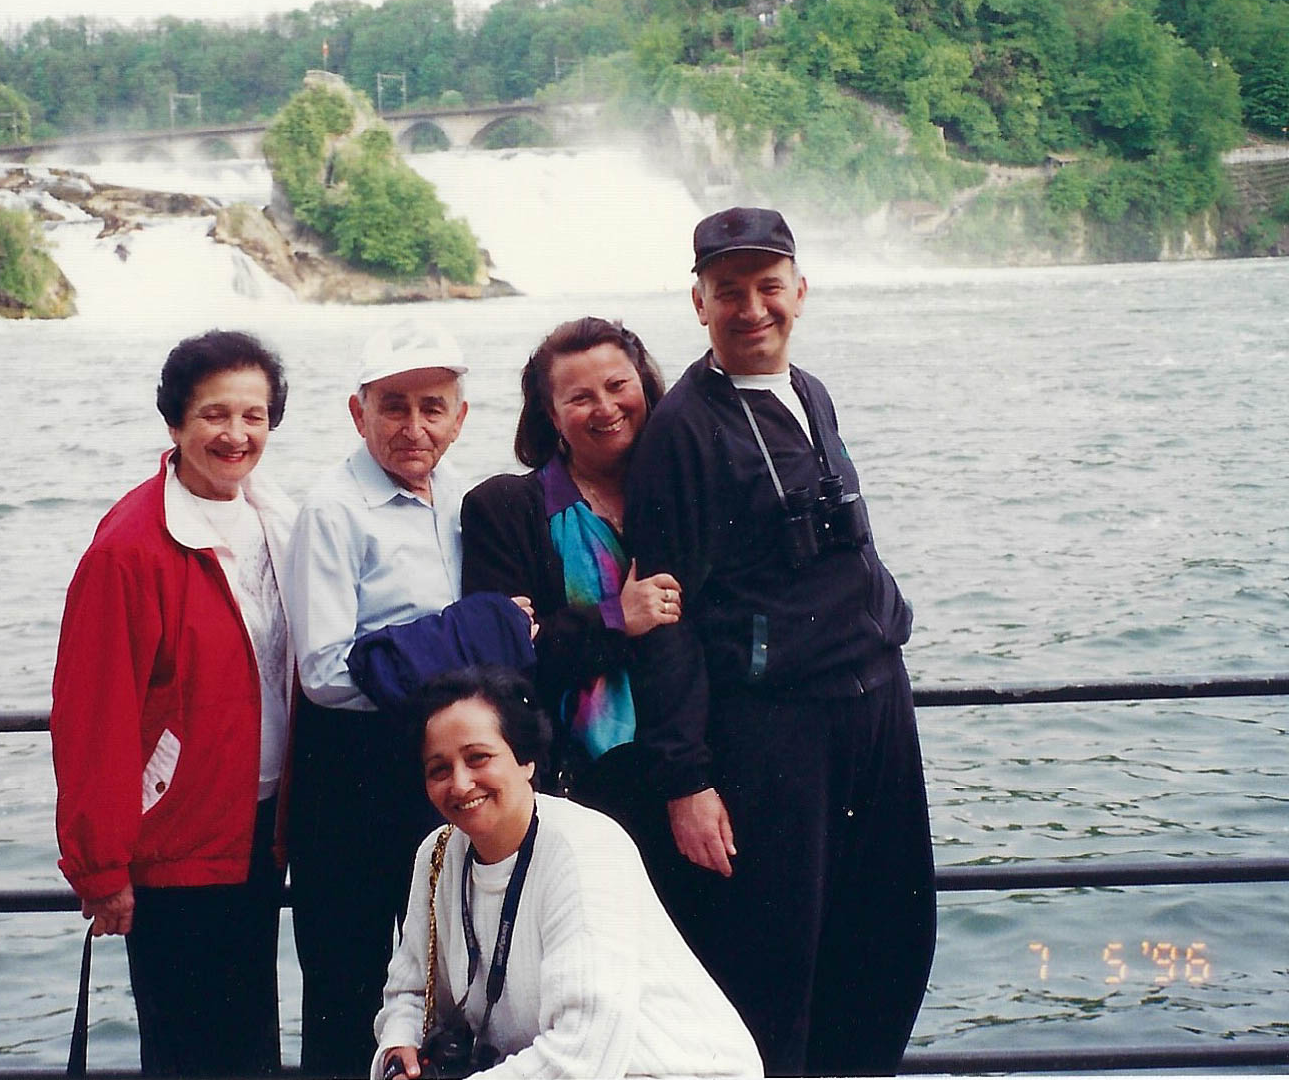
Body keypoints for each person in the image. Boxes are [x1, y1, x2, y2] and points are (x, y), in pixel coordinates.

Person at [623, 207, 937, 1077]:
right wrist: (685, 779)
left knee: (889, 934)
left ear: (800, 290)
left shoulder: (811, 392)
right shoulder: (683, 429)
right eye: (729, 291)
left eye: (768, 287)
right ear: (698, 303)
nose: (751, 308)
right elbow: (666, 618)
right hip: (776, 728)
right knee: (771, 963)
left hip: (874, 704)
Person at [49, 329, 295, 1077]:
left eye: (253, 415)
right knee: (189, 1051)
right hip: (175, 840)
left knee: (250, 1041)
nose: (236, 434)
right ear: (175, 421)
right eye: (214, 414)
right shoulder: (129, 548)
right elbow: (92, 716)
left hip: (259, 827)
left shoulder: (276, 520)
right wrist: (100, 867)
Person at [374, 666, 763, 1080]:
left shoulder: (584, 849)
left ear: (526, 759)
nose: (460, 783)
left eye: (478, 758)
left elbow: (584, 1050)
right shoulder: (437, 854)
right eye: (439, 769)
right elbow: (411, 991)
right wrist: (399, 1054)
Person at [284, 319, 479, 1077]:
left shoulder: (458, 497)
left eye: (433, 407)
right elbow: (325, 671)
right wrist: (461, 647)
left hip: (435, 768)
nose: (413, 426)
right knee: (348, 982)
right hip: (352, 769)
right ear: (356, 411)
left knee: (446, 976)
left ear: (459, 417)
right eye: (392, 406)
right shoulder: (333, 508)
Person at [460, 318, 683, 832]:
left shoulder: (685, 496)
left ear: (645, 386)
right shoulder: (507, 508)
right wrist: (616, 618)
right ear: (550, 413)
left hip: (694, 779)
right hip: (578, 789)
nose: (605, 408)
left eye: (617, 385)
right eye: (580, 398)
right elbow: (506, 670)